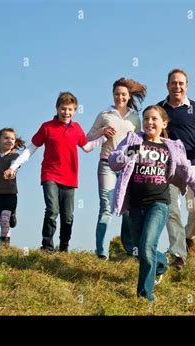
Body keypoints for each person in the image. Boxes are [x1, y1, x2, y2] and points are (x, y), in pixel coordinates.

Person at [109, 105, 195, 302]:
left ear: (164, 123)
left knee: (147, 244)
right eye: (146, 118)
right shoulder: (133, 140)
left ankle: (144, 296)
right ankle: (162, 264)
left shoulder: (171, 147)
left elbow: (187, 171)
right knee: (138, 248)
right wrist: (131, 151)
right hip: (136, 204)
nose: (149, 122)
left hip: (159, 203)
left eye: (154, 119)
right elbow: (114, 161)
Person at [4, 92, 109, 253]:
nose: (66, 112)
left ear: (75, 111)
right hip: (50, 174)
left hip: (70, 178)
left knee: (68, 216)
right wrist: (14, 166)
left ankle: (64, 247)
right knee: (52, 210)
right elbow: (31, 149)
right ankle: (47, 246)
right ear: (57, 108)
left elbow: (86, 147)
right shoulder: (47, 127)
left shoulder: (76, 128)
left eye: (70, 110)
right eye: (63, 109)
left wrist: (103, 138)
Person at [157, 68, 195, 269]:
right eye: (174, 83)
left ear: (186, 86)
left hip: (192, 165)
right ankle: (178, 255)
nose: (177, 86)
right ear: (167, 85)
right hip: (167, 168)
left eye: (181, 83)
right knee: (172, 210)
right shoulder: (159, 109)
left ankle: (190, 236)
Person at [86, 78, 147, 259]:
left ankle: (129, 249)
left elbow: (139, 143)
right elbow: (87, 138)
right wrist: (102, 132)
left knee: (128, 209)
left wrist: (131, 155)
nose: (119, 97)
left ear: (128, 97)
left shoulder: (135, 118)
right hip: (106, 164)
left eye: (123, 94)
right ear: (112, 95)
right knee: (106, 207)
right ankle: (101, 252)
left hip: (127, 167)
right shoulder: (105, 114)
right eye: (116, 94)